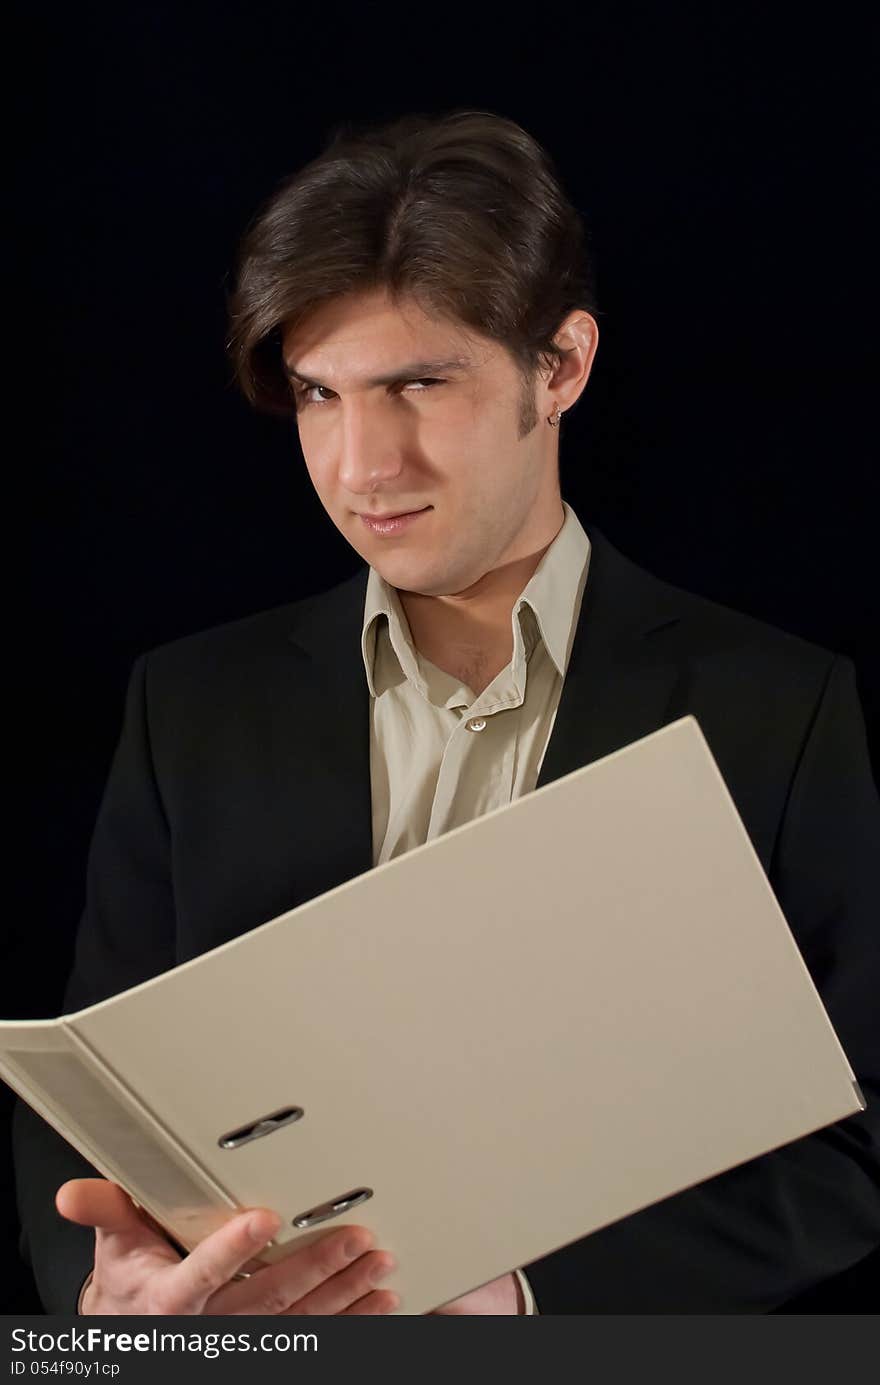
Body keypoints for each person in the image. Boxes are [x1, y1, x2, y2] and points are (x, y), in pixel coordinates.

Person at [12, 109, 880, 1316]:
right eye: (320, 395)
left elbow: (850, 1147)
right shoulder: (191, 703)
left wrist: (519, 1298)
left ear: (560, 366)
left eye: (417, 384)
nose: (361, 464)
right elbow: (86, 1107)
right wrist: (114, 1301)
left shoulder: (782, 708)